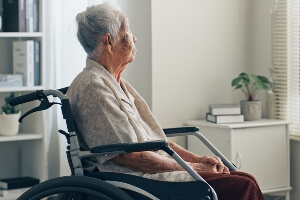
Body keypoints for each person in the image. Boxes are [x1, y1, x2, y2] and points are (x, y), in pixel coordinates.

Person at [67, 2, 265, 200]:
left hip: (148, 171)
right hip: (131, 179)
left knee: (245, 178)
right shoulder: (94, 87)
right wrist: (195, 167)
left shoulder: (114, 83)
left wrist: (199, 160)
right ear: (108, 42)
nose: (135, 38)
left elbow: (154, 141)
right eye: (126, 31)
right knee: (242, 186)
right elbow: (131, 156)